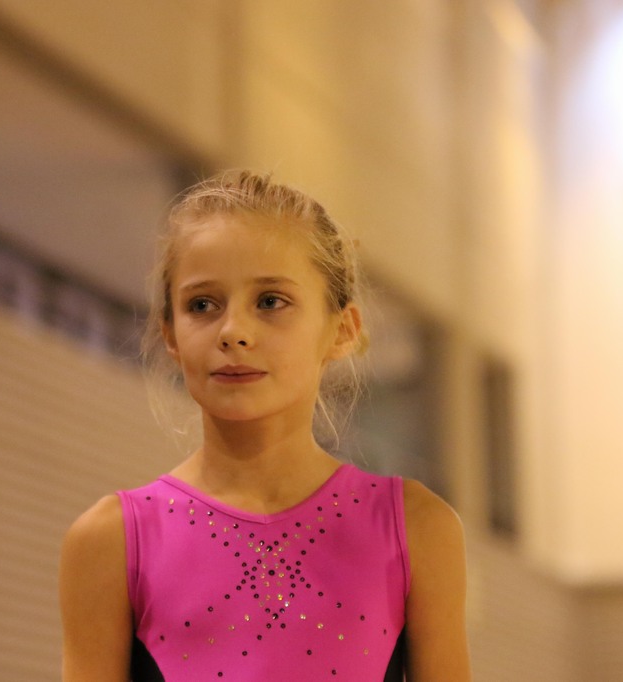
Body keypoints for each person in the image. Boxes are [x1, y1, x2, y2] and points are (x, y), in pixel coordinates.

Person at [59, 171, 471, 681]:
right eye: (202, 305)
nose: (233, 331)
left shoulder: (415, 528)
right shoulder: (112, 540)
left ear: (342, 330)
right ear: (171, 335)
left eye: (271, 301)